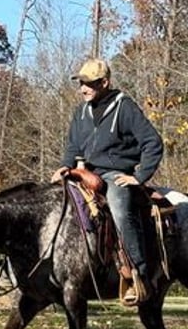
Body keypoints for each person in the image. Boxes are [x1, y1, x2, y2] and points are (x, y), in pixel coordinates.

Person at [51, 58, 164, 304]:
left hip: (114, 175)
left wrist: (138, 177)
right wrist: (64, 167)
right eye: (81, 83)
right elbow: (73, 146)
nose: (83, 88)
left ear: (104, 82)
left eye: (89, 83)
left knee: (119, 208)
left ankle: (138, 274)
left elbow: (152, 143)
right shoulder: (81, 111)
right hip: (84, 173)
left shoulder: (124, 107)